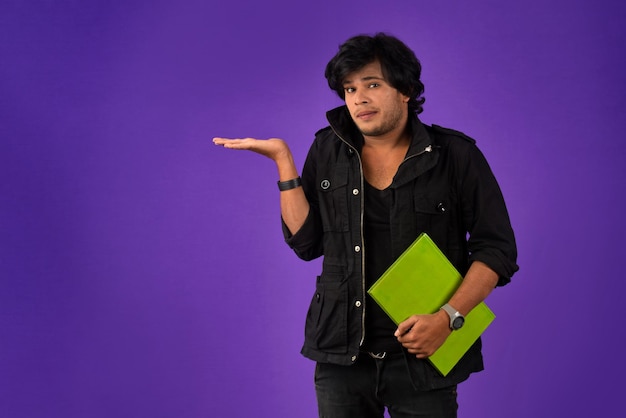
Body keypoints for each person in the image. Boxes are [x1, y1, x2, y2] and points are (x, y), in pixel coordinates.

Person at [213, 33, 518, 418]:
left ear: (405, 90)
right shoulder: (326, 149)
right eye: (350, 88)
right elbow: (306, 244)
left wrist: (449, 318)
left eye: (372, 84)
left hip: (424, 357)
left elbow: (498, 249)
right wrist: (283, 162)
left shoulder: (456, 156)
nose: (359, 98)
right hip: (341, 358)